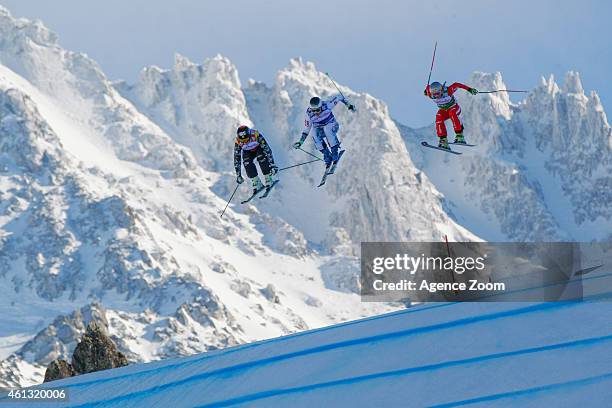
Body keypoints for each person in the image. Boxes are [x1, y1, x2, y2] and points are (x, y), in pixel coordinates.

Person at [292, 95, 355, 168]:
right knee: (314, 134)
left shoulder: (327, 105)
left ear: (321, 106)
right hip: (320, 129)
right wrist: (300, 142)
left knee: (327, 129)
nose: (316, 112)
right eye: (313, 110)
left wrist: (348, 105)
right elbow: (306, 129)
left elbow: (339, 97)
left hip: (332, 125)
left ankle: (334, 152)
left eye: (317, 110)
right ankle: (327, 155)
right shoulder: (309, 114)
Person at [424, 81, 478, 149]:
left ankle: (460, 135)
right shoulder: (430, 93)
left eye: (438, 93)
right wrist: (426, 92)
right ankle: (443, 140)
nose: (436, 96)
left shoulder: (448, 91)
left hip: (454, 108)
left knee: (452, 113)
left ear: (441, 90)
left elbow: (457, 84)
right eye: (434, 95)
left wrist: (470, 89)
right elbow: (427, 89)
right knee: (439, 117)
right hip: (444, 110)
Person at [234, 125, 278, 194]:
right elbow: (237, 159)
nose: (245, 142)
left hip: (258, 148)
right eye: (243, 141)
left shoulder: (256, 135)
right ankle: (256, 182)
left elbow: (267, 150)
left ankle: (268, 178)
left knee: (261, 157)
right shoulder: (238, 141)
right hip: (247, 151)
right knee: (246, 162)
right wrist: (238, 175)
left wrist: (272, 164)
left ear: (249, 135)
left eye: (246, 140)